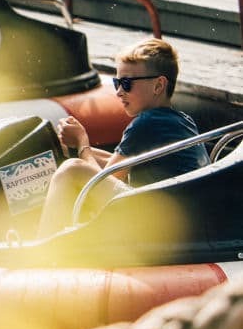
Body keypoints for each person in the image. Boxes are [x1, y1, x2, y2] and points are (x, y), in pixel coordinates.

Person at [36, 38, 208, 237]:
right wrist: (73, 147)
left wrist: (82, 142)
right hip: (181, 217)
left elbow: (100, 181)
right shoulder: (179, 120)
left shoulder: (147, 122)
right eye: (117, 82)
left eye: (126, 84)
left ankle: (42, 247)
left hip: (166, 228)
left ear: (158, 85)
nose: (118, 92)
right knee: (72, 159)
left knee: (72, 170)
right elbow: (119, 164)